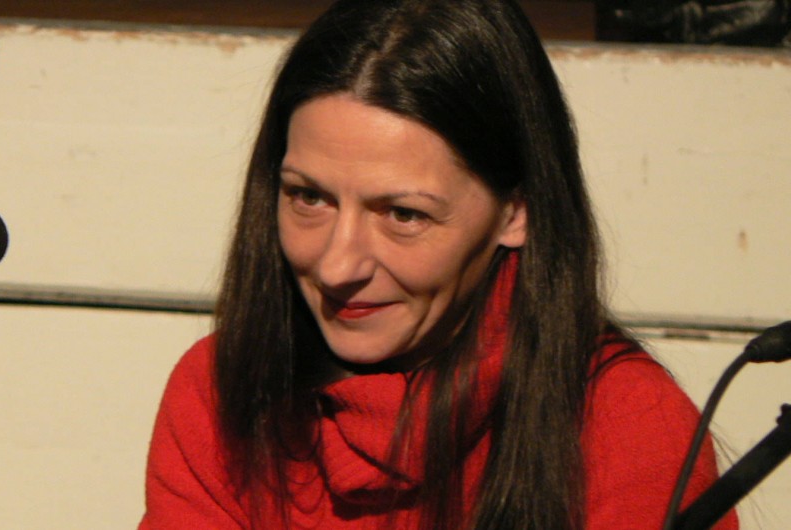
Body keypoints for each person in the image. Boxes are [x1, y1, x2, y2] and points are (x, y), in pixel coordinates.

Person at [140, 1, 738, 528]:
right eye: (309, 198)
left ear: (517, 211)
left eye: (403, 214)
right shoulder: (222, 389)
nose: (337, 265)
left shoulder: (623, 426)